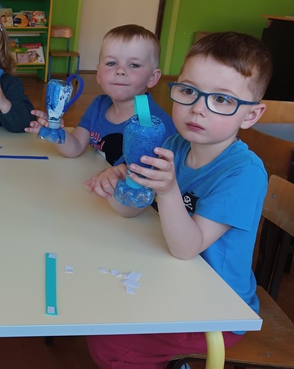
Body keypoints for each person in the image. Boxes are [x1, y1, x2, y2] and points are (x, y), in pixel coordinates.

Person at [85, 32, 273, 368]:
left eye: (222, 99)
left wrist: (168, 191)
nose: (197, 108)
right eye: (188, 91)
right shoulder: (174, 145)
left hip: (216, 308)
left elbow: (188, 248)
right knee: (97, 310)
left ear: (251, 115)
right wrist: (120, 183)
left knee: (111, 341)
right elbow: (130, 210)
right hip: (171, 278)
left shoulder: (244, 173)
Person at [26, 24, 175, 166]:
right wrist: (56, 131)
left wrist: (120, 173)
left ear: (152, 78)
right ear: (98, 74)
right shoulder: (98, 105)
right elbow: (76, 147)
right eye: (111, 63)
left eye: (134, 65)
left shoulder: (154, 123)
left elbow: (153, 173)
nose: (120, 71)